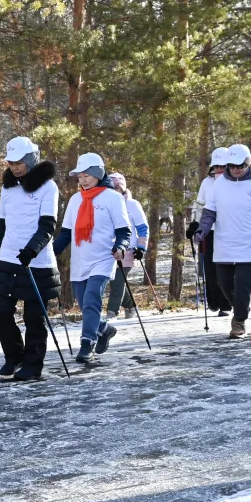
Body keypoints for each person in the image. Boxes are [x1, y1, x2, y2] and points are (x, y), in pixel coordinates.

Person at [0, 136, 61, 381]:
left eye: (19, 162)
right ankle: (14, 356)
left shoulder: (48, 187)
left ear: (31, 160)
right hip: (9, 257)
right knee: (0, 309)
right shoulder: (7, 187)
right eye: (11, 163)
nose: (15, 167)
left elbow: (48, 225)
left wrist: (32, 249)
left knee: (34, 317)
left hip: (36, 260)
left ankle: (32, 366)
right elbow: (2, 226)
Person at [54, 154, 132, 365]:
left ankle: (87, 343)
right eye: (80, 176)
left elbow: (124, 231)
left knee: (91, 301)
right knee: (85, 304)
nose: (83, 180)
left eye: (87, 175)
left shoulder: (112, 198)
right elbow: (65, 233)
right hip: (81, 260)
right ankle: (104, 328)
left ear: (98, 173)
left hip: (103, 258)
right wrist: (50, 253)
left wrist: (121, 247)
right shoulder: (75, 200)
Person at [195, 143, 251, 338]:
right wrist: (202, 229)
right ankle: (242, 309)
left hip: (249, 243)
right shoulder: (219, 184)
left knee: (242, 283)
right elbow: (209, 212)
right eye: (231, 166)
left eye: (239, 166)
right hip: (224, 242)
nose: (235, 170)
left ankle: (239, 321)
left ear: (248, 164)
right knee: (223, 283)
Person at [188, 152, 232, 315]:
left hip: (228, 231)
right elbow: (199, 204)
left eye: (222, 166)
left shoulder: (233, 182)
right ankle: (214, 301)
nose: (219, 169)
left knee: (226, 267)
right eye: (216, 166)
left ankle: (227, 303)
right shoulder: (207, 182)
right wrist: (195, 223)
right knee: (210, 268)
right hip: (209, 231)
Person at [105, 172, 150, 320]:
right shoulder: (105, 203)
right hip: (108, 249)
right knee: (114, 282)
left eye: (119, 188)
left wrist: (141, 248)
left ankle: (112, 313)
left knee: (118, 281)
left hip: (128, 249)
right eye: (113, 188)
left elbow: (143, 227)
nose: (116, 191)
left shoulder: (132, 204)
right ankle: (131, 307)